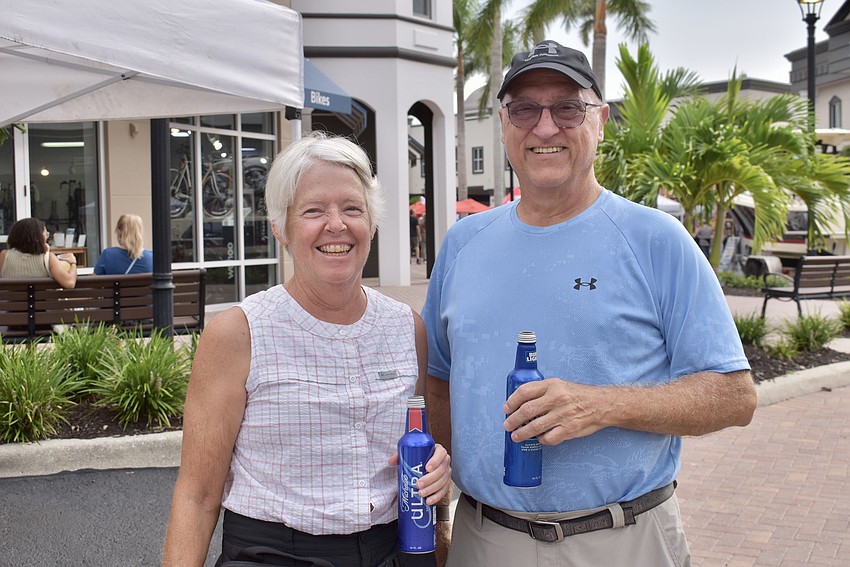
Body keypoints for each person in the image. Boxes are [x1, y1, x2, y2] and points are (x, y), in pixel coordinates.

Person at [421, 40, 756, 567]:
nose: (545, 127)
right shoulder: (463, 243)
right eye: (525, 109)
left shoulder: (656, 240)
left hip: (623, 540)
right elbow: (437, 385)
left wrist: (602, 405)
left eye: (567, 108)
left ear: (600, 121)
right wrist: (439, 519)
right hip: (484, 540)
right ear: (505, 124)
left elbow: (735, 396)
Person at [163, 132, 452, 567]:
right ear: (281, 228)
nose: (336, 225)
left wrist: (439, 507)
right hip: (273, 553)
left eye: (352, 208)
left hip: (392, 550)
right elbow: (198, 496)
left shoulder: (406, 328)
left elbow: (422, 452)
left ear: (372, 224)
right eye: (313, 210)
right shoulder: (239, 333)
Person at [0, 217, 76, 288]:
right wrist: (73, 263)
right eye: (46, 235)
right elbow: (70, 283)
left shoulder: (4, 256)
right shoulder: (48, 258)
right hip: (41, 298)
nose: (46, 238)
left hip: (12, 298)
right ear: (39, 238)